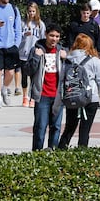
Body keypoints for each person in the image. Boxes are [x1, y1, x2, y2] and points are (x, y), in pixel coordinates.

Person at [55, 34, 100, 149]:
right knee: (85, 130)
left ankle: (60, 153)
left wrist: (57, 104)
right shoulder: (94, 61)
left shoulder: (67, 61)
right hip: (90, 99)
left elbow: (61, 84)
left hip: (72, 98)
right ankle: (82, 155)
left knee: (69, 128)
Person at [26, 22, 66, 150]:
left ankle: (52, 154)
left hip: (58, 96)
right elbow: (28, 71)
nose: (54, 39)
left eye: (57, 36)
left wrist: (67, 59)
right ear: (46, 35)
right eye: (52, 35)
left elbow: (70, 73)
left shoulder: (62, 52)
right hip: (42, 95)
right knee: (40, 127)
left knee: (56, 127)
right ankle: (37, 154)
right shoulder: (37, 50)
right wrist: (36, 57)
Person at [19, 1, 46, 107]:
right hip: (23, 52)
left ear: (36, 12)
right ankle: (25, 96)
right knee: (24, 76)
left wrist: (41, 51)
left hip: (34, 53)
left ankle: (32, 97)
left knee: (34, 77)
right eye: (30, 11)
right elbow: (17, 35)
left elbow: (43, 38)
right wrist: (24, 34)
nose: (31, 13)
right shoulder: (23, 23)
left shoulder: (40, 24)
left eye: (33, 11)